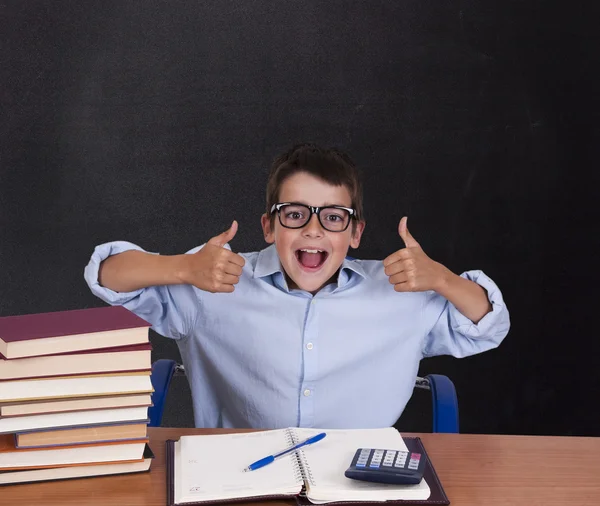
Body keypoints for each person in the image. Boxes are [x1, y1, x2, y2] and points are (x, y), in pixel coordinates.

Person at [84, 143, 510, 429]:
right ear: (269, 226)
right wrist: (182, 268)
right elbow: (108, 277)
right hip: (237, 475)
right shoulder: (214, 277)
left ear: (355, 233)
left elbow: (488, 325)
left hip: (358, 480)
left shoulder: (401, 288)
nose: (313, 230)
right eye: (294, 214)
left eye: (333, 216)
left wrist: (441, 277)